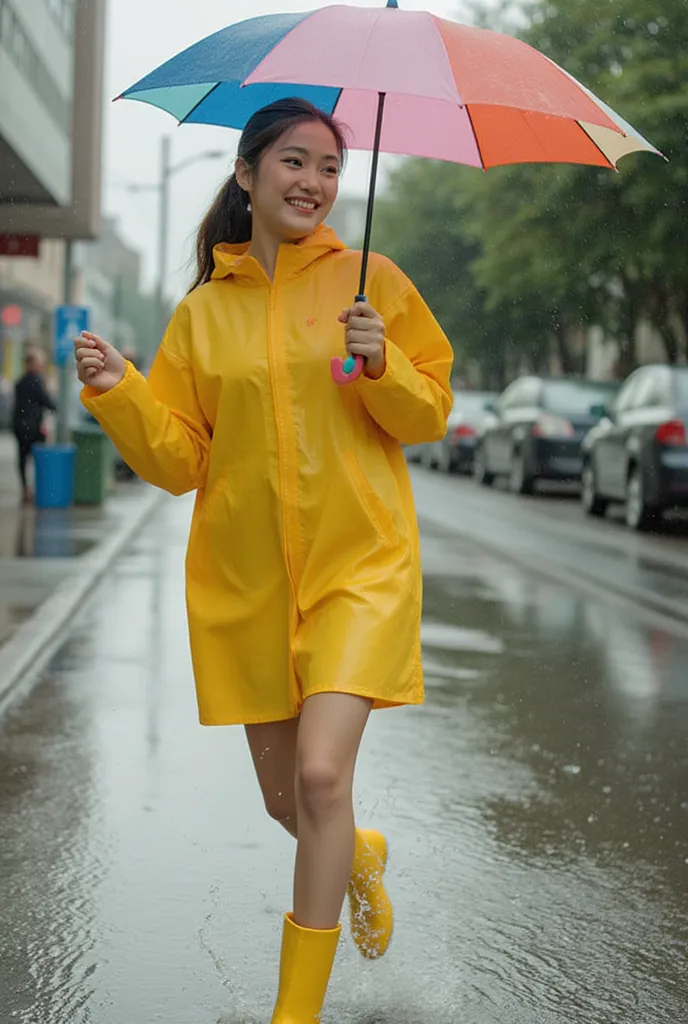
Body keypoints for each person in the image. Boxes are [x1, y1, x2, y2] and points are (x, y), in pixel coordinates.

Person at [74, 98, 453, 1022]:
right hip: (247, 584)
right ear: (247, 175)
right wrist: (121, 392)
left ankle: (296, 1014)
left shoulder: (377, 286)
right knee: (293, 804)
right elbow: (180, 462)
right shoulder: (205, 313)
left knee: (322, 777)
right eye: (294, 161)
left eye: (330, 167)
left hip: (358, 569)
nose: (314, 183)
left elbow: (431, 411)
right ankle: (357, 858)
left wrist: (382, 366)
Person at [12, 347, 56, 504]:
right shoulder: (36, 380)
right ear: (33, 363)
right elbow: (47, 401)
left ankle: (25, 489)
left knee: (23, 459)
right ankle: (39, 489)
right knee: (39, 459)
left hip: (20, 426)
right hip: (34, 427)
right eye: (40, 363)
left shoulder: (20, 381)